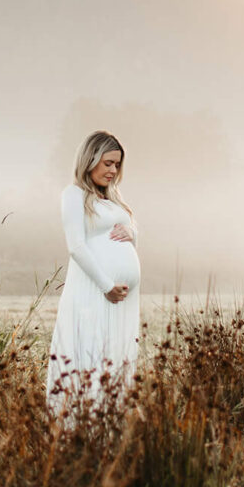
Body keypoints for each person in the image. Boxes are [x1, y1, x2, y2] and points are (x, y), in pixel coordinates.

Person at [45, 130, 140, 422]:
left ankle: (113, 421)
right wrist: (107, 285)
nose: (113, 171)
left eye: (117, 165)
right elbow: (76, 246)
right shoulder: (74, 195)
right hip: (94, 293)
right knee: (90, 353)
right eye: (108, 163)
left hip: (121, 299)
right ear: (90, 159)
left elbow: (127, 234)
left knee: (116, 357)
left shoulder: (113, 198)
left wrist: (133, 233)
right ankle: (82, 426)